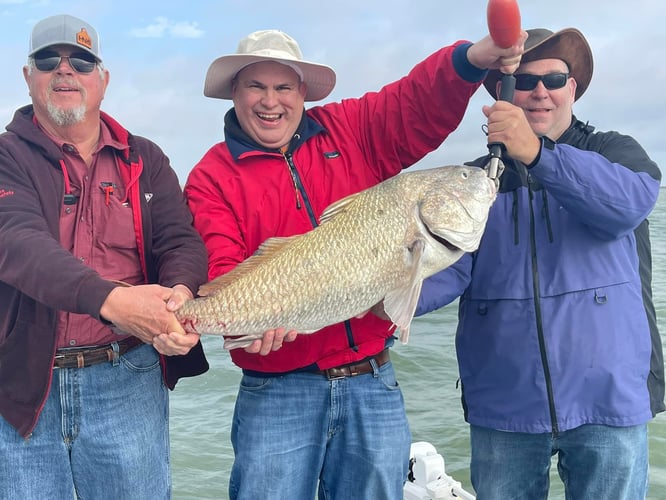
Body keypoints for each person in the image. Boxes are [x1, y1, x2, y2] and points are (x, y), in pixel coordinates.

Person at [184, 28, 526, 499]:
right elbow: (222, 261)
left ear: (302, 92)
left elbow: (414, 103)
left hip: (371, 382)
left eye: (283, 87)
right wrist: (229, 317)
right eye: (255, 87)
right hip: (276, 391)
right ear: (234, 93)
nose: (270, 102)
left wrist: (471, 59)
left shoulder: (350, 128)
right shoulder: (210, 175)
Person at [417, 27, 665, 499]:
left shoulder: (615, 153)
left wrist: (534, 154)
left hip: (608, 404)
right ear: (499, 94)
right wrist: (356, 307)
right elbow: (439, 273)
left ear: (573, 87)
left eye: (554, 79)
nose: (540, 93)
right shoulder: (475, 181)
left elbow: (626, 206)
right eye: (524, 83)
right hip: (504, 408)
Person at [0, 14, 211, 499]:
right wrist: (115, 301)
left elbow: (180, 241)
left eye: (82, 60)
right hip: (23, 383)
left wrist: (178, 297)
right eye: (48, 60)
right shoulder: (7, 156)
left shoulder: (147, 158)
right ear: (28, 77)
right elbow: (19, 244)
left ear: (103, 79)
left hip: (128, 377)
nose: (65, 70)